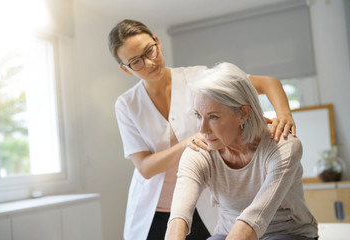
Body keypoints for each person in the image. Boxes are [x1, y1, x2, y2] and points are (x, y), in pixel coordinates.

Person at [108, 19, 297, 240]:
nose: (149, 62)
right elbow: (145, 168)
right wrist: (189, 142)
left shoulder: (199, 78)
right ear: (126, 69)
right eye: (135, 61)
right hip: (154, 209)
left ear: (157, 43)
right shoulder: (127, 104)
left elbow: (268, 83)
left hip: (203, 203)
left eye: (149, 51)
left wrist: (284, 115)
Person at [165, 62, 318, 240]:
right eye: (198, 115)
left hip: (286, 233)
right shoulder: (200, 149)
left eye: (213, 116)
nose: (203, 129)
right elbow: (179, 215)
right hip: (227, 232)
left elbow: (254, 219)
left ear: (243, 114)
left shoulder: (282, 147)